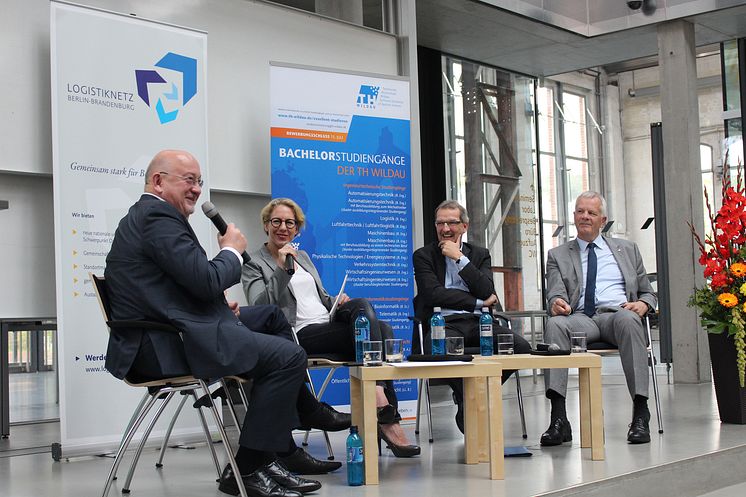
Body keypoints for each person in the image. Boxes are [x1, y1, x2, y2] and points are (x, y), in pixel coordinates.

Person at [104, 150, 338, 497]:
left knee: (272, 318)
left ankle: (277, 450)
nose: (197, 189)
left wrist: (214, 304)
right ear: (158, 181)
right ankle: (248, 465)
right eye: (188, 180)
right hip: (166, 346)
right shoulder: (156, 217)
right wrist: (230, 250)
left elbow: (173, 287)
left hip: (178, 328)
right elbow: (205, 280)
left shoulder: (149, 217)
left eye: (199, 181)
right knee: (288, 358)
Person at [241, 198, 420, 458]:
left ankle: (380, 400)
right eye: (276, 221)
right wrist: (281, 268)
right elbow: (261, 306)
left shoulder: (301, 256)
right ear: (266, 225)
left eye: (290, 223)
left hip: (328, 322)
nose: (283, 227)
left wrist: (335, 301)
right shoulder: (254, 264)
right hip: (298, 334)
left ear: (297, 228)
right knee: (380, 332)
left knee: (376, 321)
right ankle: (386, 415)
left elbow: (318, 297)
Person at [542, 191, 656, 446]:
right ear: (574, 217)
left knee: (628, 319)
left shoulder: (627, 249)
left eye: (591, 213)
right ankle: (559, 418)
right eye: (580, 211)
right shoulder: (557, 255)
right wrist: (556, 304)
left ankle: (640, 412)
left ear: (602, 220)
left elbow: (648, 291)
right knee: (555, 324)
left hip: (617, 314)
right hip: (581, 318)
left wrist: (642, 304)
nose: (585, 216)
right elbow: (555, 294)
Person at [413, 199, 531, 433]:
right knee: (440, 349)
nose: (445, 229)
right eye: (440, 223)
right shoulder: (423, 255)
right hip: (443, 323)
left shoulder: (479, 254)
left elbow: (487, 289)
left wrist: (459, 258)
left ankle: (473, 395)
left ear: (464, 226)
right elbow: (433, 294)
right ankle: (468, 397)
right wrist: (477, 302)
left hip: (480, 322)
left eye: (452, 223)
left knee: (520, 346)